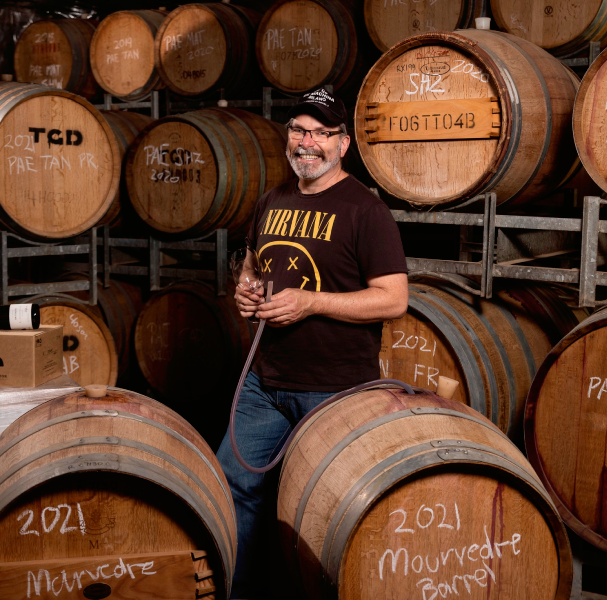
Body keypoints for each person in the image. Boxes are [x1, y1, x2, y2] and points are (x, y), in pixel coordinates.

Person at [215, 88, 408, 598]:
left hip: (334, 390)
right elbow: (256, 264)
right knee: (233, 488)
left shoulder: (366, 211)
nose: (307, 143)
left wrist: (312, 302)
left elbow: (393, 300)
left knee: (324, 511)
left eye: (320, 133)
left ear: (342, 144)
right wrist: (247, 288)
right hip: (264, 383)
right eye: (299, 131)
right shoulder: (272, 202)